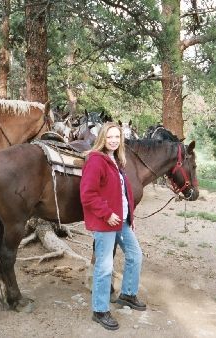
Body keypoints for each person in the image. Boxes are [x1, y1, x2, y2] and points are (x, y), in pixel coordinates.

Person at [80, 122, 146, 331]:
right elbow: (88, 195)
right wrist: (107, 214)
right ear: (102, 138)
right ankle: (99, 310)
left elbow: (123, 194)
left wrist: (129, 219)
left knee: (135, 255)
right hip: (106, 222)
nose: (114, 140)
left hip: (122, 222)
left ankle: (127, 294)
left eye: (117, 137)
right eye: (110, 137)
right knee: (105, 266)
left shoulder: (116, 160)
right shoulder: (96, 161)